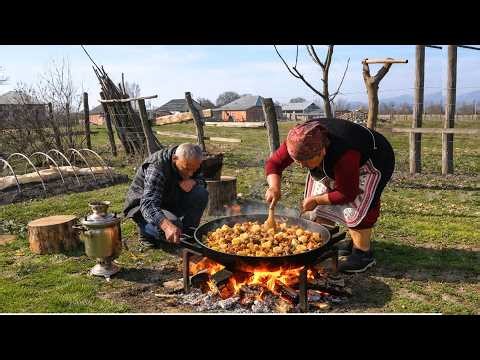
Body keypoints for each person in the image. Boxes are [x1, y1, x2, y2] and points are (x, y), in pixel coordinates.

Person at [264, 118, 395, 273]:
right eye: (297, 161)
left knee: (360, 203)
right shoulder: (297, 140)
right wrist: (274, 187)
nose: (301, 165)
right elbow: (274, 163)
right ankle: (324, 242)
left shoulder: (345, 153)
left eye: (306, 161)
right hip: (338, 162)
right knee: (320, 191)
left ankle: (362, 254)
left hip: (374, 159)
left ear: (322, 151)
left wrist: (316, 200)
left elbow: (347, 194)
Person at [123, 143, 209, 249]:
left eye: (194, 169)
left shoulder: (193, 161)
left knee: (201, 193)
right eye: (186, 169)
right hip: (142, 206)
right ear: (174, 158)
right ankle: (146, 233)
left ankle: (187, 236)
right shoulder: (157, 167)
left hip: (169, 199)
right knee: (173, 225)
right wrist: (167, 226)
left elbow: (202, 181)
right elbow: (148, 204)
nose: (190, 174)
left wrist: (195, 181)